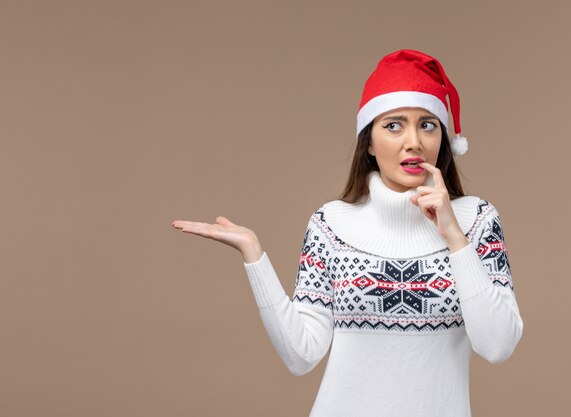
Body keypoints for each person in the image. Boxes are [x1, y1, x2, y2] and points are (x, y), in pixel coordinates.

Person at [171, 49, 523, 417]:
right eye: (393, 125)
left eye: (428, 124)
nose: (413, 141)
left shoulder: (478, 221)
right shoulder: (330, 225)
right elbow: (301, 355)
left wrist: (455, 238)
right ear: (369, 142)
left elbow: (498, 345)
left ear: (443, 139)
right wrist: (254, 255)